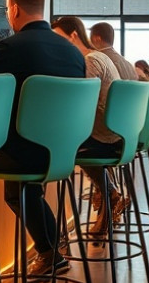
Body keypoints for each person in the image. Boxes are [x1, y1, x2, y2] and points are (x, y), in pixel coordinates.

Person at [0, 0, 86, 282]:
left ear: (13, 9)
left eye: (5, 9)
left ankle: (50, 251)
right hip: (63, 155)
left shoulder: (11, 48)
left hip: (23, 155)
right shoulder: (74, 54)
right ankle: (51, 250)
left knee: (5, 180)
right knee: (27, 186)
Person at [51, 16, 129, 237]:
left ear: (74, 35)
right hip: (116, 134)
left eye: (60, 38)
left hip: (104, 137)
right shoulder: (98, 57)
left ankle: (109, 192)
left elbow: (80, 104)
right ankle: (109, 193)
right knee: (70, 145)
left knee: (64, 149)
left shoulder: (91, 60)